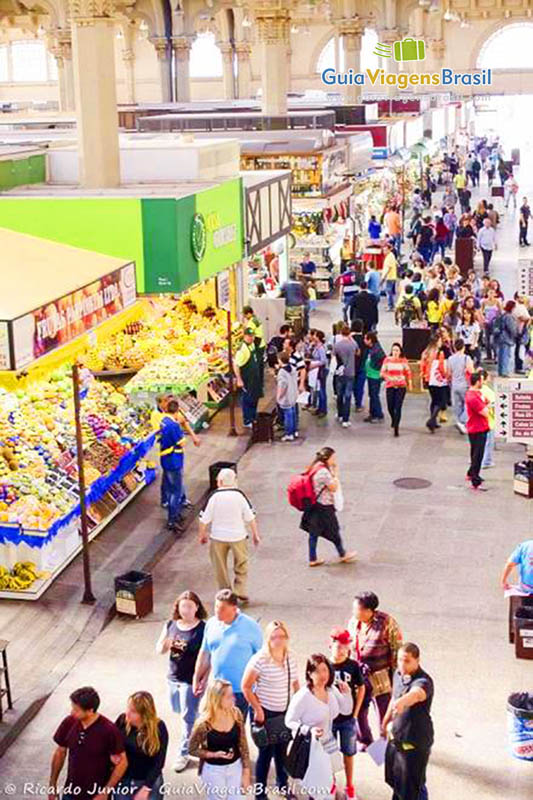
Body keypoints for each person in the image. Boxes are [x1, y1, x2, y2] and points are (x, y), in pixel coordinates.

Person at [241, 621, 300, 800]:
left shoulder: (290, 657)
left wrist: (298, 706)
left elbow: (296, 684)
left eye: (281, 636)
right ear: (268, 638)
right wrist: (258, 710)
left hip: (285, 712)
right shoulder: (260, 659)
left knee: (283, 752)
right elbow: (246, 686)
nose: (278, 640)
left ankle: (283, 785)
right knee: (265, 754)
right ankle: (260, 793)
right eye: (274, 637)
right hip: (265, 713)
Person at [285, 653, 354, 796]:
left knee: (327, 783)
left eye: (325, 670)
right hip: (310, 746)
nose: (322, 675)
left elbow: (346, 710)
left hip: (328, 743)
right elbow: (289, 721)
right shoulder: (303, 695)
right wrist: (309, 730)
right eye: (317, 671)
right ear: (309, 674)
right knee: (318, 785)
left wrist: (347, 693)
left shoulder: (331, 690)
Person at [156, 590, 206, 772]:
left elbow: (207, 655)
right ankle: (201, 724)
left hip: (191, 679)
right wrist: (165, 645)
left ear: (197, 608)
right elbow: (159, 649)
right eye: (183, 606)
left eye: (190, 606)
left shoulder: (202, 629)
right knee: (178, 709)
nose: (186, 610)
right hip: (173, 678)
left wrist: (202, 677)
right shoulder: (171, 625)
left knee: (187, 717)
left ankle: (184, 753)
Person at [192, 590, 263, 720]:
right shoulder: (211, 624)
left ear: (234, 609)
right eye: (216, 607)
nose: (218, 611)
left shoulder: (251, 626)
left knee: (235, 729)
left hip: (240, 690)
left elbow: (261, 658)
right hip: (216, 688)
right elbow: (205, 654)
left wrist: (260, 688)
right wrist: (197, 677)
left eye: (223, 608)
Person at [50, 686, 127, 800]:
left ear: (90, 710)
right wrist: (52, 785)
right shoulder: (69, 722)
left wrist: (106, 792)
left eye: (76, 710)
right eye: (72, 708)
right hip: (70, 792)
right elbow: (60, 752)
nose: (72, 712)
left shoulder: (109, 730)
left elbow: (122, 762)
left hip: (96, 794)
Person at [348, 592, 403, 747]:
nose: (353, 612)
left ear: (368, 611)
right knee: (359, 710)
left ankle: (386, 740)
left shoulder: (386, 623)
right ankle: (364, 739)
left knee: (384, 710)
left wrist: (396, 676)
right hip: (359, 675)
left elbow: (396, 648)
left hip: (381, 676)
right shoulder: (354, 623)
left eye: (356, 609)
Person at [199, 469, 259, 604]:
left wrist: (202, 535)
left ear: (219, 482)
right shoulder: (240, 496)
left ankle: (225, 592)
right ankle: (240, 590)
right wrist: (255, 534)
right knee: (241, 563)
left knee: (220, 566)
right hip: (238, 536)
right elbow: (250, 517)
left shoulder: (214, 497)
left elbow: (204, 519)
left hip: (218, 537)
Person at [383, 643, 434, 800]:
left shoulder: (423, 681)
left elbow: (416, 694)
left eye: (406, 661)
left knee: (413, 788)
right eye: (399, 660)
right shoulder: (398, 674)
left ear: (417, 660)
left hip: (414, 743)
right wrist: (385, 722)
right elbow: (393, 698)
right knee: (395, 780)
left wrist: (403, 702)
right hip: (396, 739)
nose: (402, 665)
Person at [189, 679, 251, 800]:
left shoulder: (236, 713)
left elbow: (243, 744)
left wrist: (246, 771)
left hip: (235, 767)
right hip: (213, 771)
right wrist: (213, 754)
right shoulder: (203, 724)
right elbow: (192, 749)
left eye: (232, 695)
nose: (234, 699)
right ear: (217, 699)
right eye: (229, 697)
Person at [300, 447, 357, 567]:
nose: (334, 460)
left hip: (314, 504)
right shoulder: (324, 472)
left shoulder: (316, 466)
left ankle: (312, 558)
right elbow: (334, 487)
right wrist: (335, 473)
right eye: (333, 458)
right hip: (324, 506)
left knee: (313, 533)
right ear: (327, 458)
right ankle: (342, 554)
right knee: (334, 530)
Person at [329, 628, 365, 800]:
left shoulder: (353, 666)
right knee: (329, 753)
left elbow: (362, 688)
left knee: (349, 753)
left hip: (347, 719)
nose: (341, 649)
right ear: (331, 645)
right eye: (338, 645)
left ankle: (350, 786)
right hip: (329, 719)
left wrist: (355, 713)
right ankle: (331, 783)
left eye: (345, 646)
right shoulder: (325, 666)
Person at [115, 692, 168, 797]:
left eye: (133, 711)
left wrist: (146, 788)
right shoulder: (122, 721)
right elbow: (110, 742)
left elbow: (159, 762)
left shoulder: (159, 727)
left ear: (145, 715)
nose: (128, 714)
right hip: (125, 779)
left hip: (148, 780)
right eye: (128, 708)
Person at [160, 399, 200, 533]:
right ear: (177, 411)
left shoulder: (163, 421)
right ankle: (172, 519)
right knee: (175, 491)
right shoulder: (174, 426)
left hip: (165, 458)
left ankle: (175, 514)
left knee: (170, 487)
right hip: (174, 460)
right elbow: (182, 442)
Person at [380, 343, 412, 437]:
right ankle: (393, 419)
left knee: (398, 407)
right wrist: (388, 377)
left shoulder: (403, 361)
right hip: (390, 386)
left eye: (397, 350)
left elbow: (408, 372)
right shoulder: (387, 360)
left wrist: (409, 383)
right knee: (390, 406)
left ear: (400, 352)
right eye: (394, 350)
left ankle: (396, 428)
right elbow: (382, 372)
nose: (395, 352)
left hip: (401, 386)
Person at [465, 372, 490, 491]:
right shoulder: (473, 397)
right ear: (477, 382)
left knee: (475, 452)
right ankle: (475, 480)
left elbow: (486, 401)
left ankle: (471, 473)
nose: (483, 382)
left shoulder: (476, 394)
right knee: (477, 455)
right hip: (478, 428)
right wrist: (487, 407)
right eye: (482, 380)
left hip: (478, 427)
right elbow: (485, 411)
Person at [235, 328, 263, 429]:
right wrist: (239, 379)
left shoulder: (252, 345)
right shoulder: (242, 349)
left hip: (254, 378)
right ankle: (247, 420)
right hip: (247, 379)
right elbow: (236, 365)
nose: (251, 338)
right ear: (244, 336)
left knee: (254, 398)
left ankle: (253, 417)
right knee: (248, 399)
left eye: (252, 336)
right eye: (249, 336)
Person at [334, 324, 359, 428]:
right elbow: (358, 353)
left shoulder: (337, 345)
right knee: (348, 396)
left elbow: (334, 356)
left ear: (340, 333)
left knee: (340, 394)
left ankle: (340, 414)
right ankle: (346, 419)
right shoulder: (353, 344)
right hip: (350, 372)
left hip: (340, 372)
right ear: (349, 333)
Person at [446, 339, 473, 435]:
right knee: (467, 405)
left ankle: (458, 422)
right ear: (463, 347)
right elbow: (471, 371)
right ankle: (462, 422)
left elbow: (448, 374)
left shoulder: (450, 359)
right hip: (465, 385)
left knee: (457, 405)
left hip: (454, 385)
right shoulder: (467, 358)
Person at [276, 350, 299, 441]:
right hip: (293, 394)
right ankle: (294, 431)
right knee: (293, 414)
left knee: (287, 416)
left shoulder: (282, 372)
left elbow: (282, 385)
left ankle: (289, 433)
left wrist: (279, 396)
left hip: (286, 397)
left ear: (280, 360)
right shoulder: (293, 368)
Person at [363, 331, 386, 424]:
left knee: (374, 395)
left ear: (370, 340)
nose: (364, 340)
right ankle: (372, 413)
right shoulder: (373, 348)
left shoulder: (376, 351)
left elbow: (381, 361)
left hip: (375, 376)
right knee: (371, 395)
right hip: (371, 375)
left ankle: (378, 414)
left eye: (366, 339)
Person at [426, 347, 448, 433]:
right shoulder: (443, 362)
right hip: (440, 384)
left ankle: (433, 422)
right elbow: (443, 371)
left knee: (434, 401)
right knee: (441, 402)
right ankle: (432, 420)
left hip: (431, 383)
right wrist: (448, 376)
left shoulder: (432, 362)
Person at [309, 329, 328, 418]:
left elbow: (323, 361)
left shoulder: (321, 348)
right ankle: (320, 408)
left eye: (315, 336)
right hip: (316, 371)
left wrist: (314, 365)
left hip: (321, 371)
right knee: (318, 389)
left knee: (322, 390)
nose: (313, 337)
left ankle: (323, 409)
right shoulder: (316, 346)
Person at [496, 300, 518, 377]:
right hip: (507, 338)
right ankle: (504, 372)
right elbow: (512, 328)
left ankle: (500, 371)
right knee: (506, 355)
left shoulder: (503, 314)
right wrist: (516, 334)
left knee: (501, 355)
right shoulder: (509, 316)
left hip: (500, 337)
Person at [479, 369, 496, 469]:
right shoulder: (489, 392)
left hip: (476, 422)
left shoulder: (474, 390)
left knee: (477, 443)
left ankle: (475, 459)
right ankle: (486, 461)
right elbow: (494, 405)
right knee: (488, 443)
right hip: (489, 421)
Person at [513, 292, 531, 374]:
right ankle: (519, 367)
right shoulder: (518, 307)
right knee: (520, 350)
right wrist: (530, 319)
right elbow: (522, 318)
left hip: (524, 331)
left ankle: (524, 365)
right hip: (520, 332)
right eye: (521, 297)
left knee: (526, 349)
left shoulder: (523, 307)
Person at [382, 243, 399, 312]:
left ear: (389, 249)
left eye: (385, 250)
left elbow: (388, 269)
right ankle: (391, 305)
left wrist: (383, 277)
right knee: (390, 292)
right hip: (392, 276)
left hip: (389, 277)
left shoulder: (389, 257)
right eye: (383, 250)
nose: (384, 252)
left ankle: (390, 306)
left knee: (388, 292)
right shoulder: (391, 256)